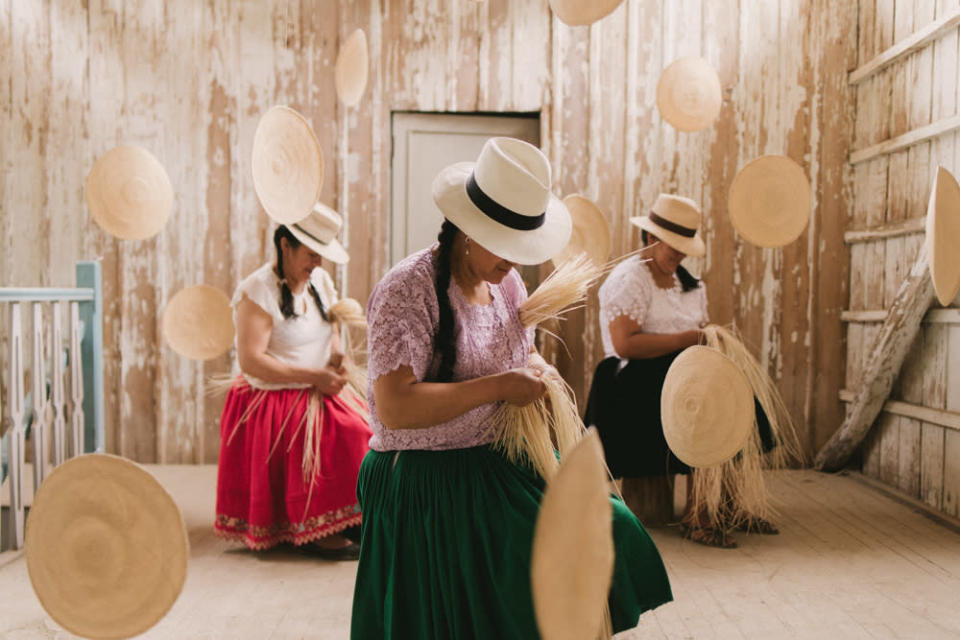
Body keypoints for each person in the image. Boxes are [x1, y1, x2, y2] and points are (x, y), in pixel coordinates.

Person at [350, 137, 672, 638]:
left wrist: (538, 370)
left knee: (610, 530)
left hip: (494, 457)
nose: (516, 264)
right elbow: (394, 407)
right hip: (422, 478)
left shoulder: (507, 283)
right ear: (469, 232)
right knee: (503, 593)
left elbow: (518, 351)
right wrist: (500, 385)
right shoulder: (406, 291)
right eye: (508, 247)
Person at [585, 194, 777, 549]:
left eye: (683, 248)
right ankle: (698, 517)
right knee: (703, 402)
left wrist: (704, 343)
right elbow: (626, 345)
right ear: (650, 239)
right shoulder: (630, 279)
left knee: (730, 396)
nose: (678, 255)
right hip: (632, 378)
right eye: (672, 247)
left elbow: (699, 332)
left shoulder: (688, 283)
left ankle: (725, 507)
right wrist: (688, 339)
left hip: (679, 369)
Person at [214, 204, 372, 560]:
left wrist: (336, 359)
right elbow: (252, 360)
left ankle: (348, 519)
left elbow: (331, 327)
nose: (316, 263)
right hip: (277, 394)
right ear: (285, 245)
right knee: (348, 433)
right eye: (311, 254)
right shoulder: (258, 289)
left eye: (321, 256)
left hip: (319, 383)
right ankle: (316, 528)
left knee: (367, 430)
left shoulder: (319, 281)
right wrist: (313, 376)